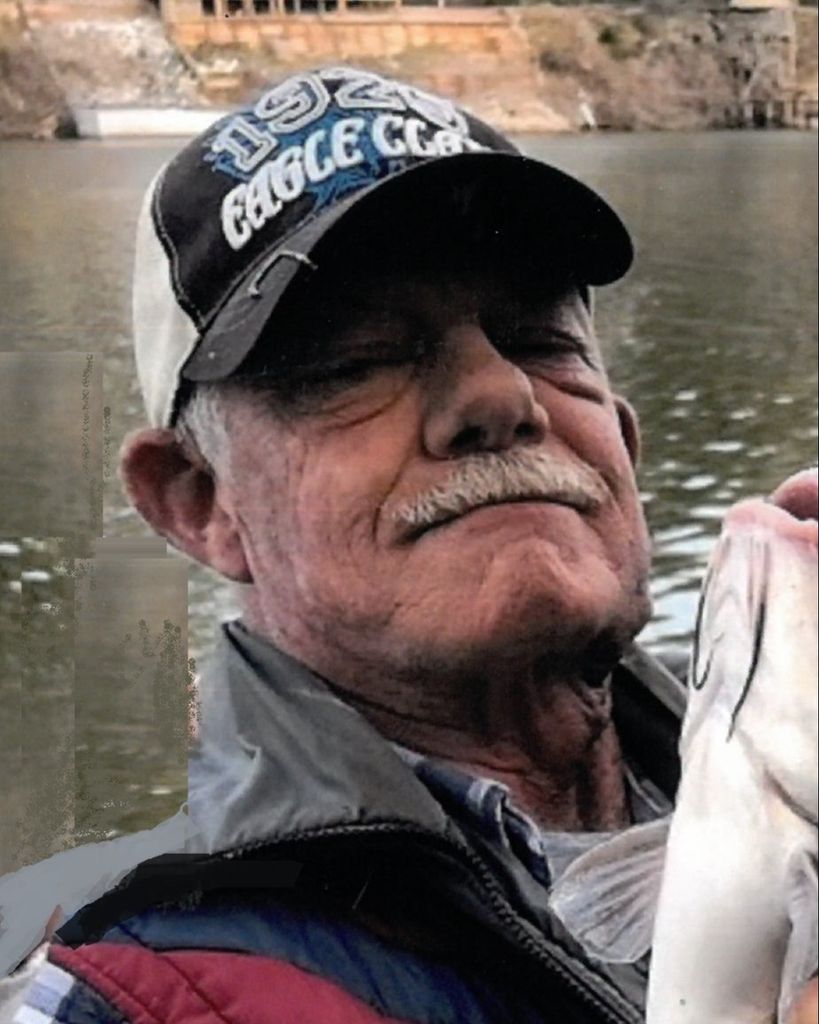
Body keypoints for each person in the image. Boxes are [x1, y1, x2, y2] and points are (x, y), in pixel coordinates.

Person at [7, 67, 816, 1024]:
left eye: (540, 339)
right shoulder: (135, 995)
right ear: (200, 502)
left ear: (621, 445)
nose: (500, 396)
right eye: (357, 362)